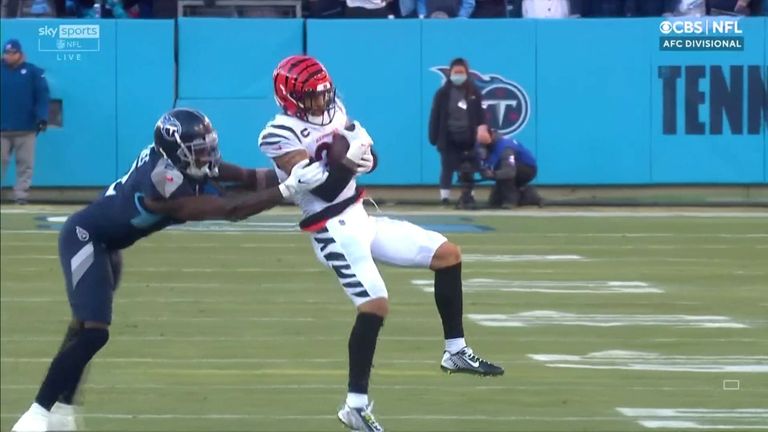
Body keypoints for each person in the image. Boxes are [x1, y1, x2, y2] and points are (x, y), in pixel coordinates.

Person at [10, 108, 327, 432]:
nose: (208, 155)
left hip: (107, 245)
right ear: (177, 151)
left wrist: (311, 165)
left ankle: (62, 411)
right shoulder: (162, 184)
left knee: (83, 329)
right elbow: (231, 207)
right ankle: (35, 415)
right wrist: (289, 189)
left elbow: (249, 178)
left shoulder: (179, 163)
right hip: (85, 238)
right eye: (199, 149)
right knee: (93, 332)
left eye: (208, 145)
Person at [259, 55, 503, 432]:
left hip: (359, 215)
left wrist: (366, 158)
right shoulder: (278, 133)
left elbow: (369, 160)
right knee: (375, 305)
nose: (322, 103)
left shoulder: (336, 110)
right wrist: (349, 162)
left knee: (447, 254)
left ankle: (455, 352)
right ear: (290, 99)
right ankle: (355, 406)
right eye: (312, 97)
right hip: (329, 228)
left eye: (324, 94)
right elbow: (324, 188)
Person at [428, 58, 490, 209]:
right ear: (450, 73)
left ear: (467, 73)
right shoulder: (442, 93)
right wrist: (433, 137)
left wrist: (482, 130)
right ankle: (445, 198)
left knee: (470, 168)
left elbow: (481, 115)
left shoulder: (474, 91)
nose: (458, 75)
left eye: (461, 72)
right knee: (447, 168)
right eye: (456, 72)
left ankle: (469, 196)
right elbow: (435, 115)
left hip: (469, 137)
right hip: (448, 137)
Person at [1, 39, 50, 205]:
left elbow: (42, 96)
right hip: (2, 129)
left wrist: (42, 117)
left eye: (12, 53)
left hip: (26, 128)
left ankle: (21, 195)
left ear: (20, 54)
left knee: (25, 165)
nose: (8, 56)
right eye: (6, 53)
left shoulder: (33, 72)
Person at [477, 130, 541, 208]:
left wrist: (493, 174)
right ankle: (527, 195)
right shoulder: (484, 145)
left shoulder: (505, 148)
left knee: (503, 171)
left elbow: (509, 172)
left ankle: (510, 201)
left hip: (527, 169)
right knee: (494, 202)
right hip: (509, 168)